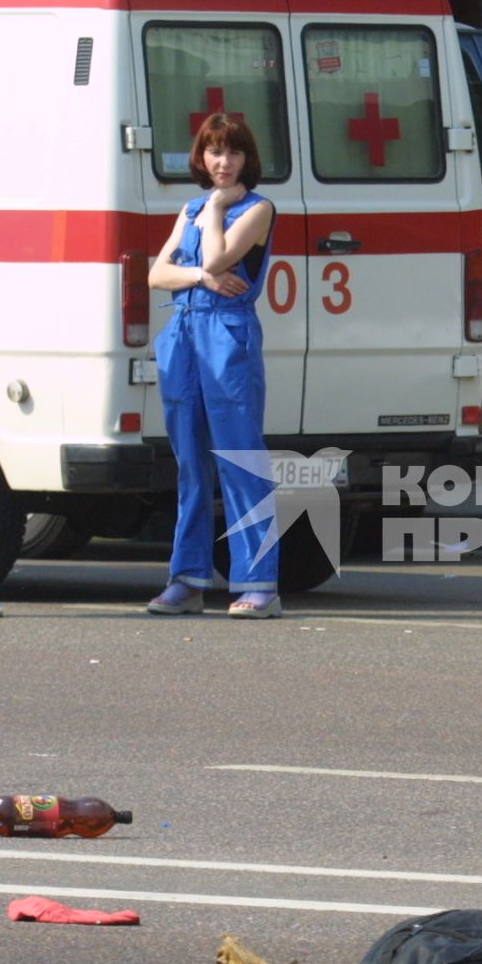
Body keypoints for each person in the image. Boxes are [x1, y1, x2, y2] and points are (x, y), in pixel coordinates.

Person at [145, 112, 282, 618]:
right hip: (182, 333)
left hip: (227, 335)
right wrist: (199, 277)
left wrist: (219, 212)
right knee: (190, 461)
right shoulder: (191, 206)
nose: (223, 162)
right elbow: (157, 275)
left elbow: (221, 256)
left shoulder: (256, 208)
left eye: (234, 152)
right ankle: (188, 577)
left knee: (240, 456)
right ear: (200, 157)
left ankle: (260, 583)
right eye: (214, 151)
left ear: (248, 159)